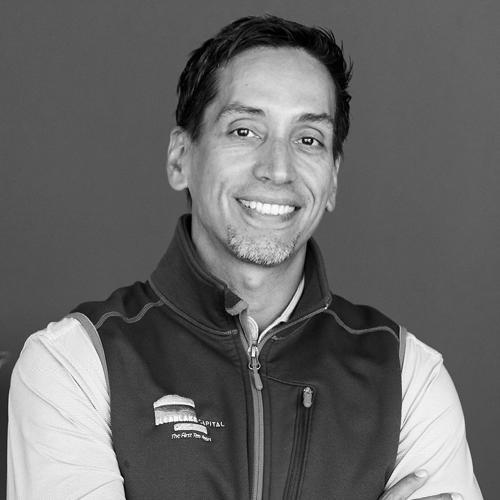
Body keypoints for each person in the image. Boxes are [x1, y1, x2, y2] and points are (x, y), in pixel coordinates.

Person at [7, 15, 482, 500]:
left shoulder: (407, 376)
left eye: (308, 139)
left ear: (333, 180)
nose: (278, 169)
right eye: (244, 131)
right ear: (180, 157)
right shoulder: (75, 363)